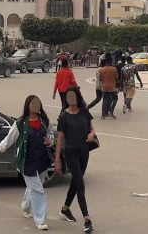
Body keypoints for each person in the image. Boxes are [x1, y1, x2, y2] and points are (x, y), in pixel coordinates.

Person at [0, 95, 54, 230]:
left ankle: (26, 207)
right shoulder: (20, 123)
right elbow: (10, 139)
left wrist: (50, 141)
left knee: (34, 187)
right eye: (33, 104)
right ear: (27, 106)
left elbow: (50, 134)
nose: (36, 106)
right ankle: (40, 220)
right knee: (38, 190)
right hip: (27, 161)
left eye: (38, 103)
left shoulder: (44, 120)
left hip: (42, 160)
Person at [55, 86, 96, 232]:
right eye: (68, 97)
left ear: (77, 96)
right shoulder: (64, 116)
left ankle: (65, 209)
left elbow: (92, 128)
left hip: (84, 152)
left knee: (76, 182)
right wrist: (57, 160)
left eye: (72, 96)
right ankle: (87, 219)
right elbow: (60, 139)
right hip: (71, 153)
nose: (70, 99)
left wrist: (92, 134)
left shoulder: (84, 111)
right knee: (80, 184)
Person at [99, 55, 118, 120]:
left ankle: (103, 115)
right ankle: (111, 111)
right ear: (111, 61)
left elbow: (100, 79)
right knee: (115, 99)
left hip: (104, 87)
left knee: (105, 100)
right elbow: (116, 78)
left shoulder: (102, 69)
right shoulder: (114, 69)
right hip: (112, 87)